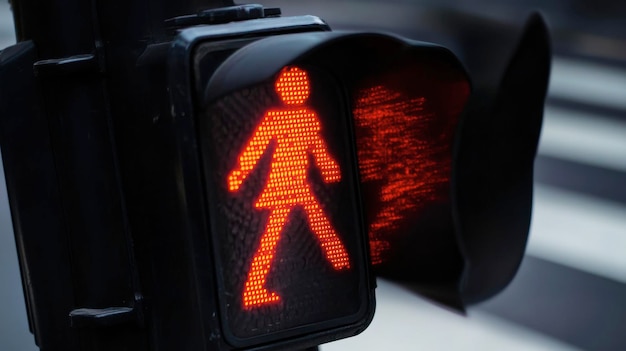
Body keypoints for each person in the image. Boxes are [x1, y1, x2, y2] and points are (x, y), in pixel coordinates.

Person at [228, 66, 350, 308]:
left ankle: (343, 267)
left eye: (301, 85)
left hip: (298, 183)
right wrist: (240, 173)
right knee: (272, 237)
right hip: (283, 184)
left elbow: (316, 147)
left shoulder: (308, 118)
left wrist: (328, 167)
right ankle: (254, 287)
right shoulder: (274, 118)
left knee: (317, 224)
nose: (298, 91)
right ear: (283, 90)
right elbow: (256, 147)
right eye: (293, 86)